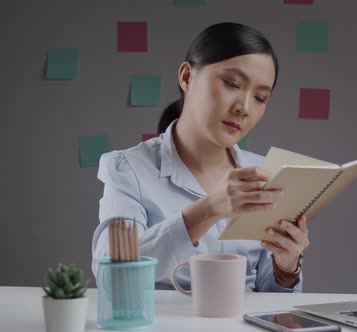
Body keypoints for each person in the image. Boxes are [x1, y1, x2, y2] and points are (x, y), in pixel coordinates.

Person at [91, 22, 309, 292]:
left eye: (260, 98)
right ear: (186, 77)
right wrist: (210, 208)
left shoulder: (266, 173)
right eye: (231, 84)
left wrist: (286, 267)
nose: (244, 107)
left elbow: (270, 302)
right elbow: (112, 276)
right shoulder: (129, 169)